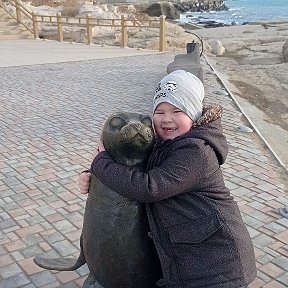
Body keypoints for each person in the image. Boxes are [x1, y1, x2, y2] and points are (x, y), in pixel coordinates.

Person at [79, 70, 257, 288]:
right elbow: (133, 172)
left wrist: (100, 164)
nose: (167, 119)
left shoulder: (196, 152)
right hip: (190, 256)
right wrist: (92, 176)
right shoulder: (166, 144)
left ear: (193, 113)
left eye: (177, 110)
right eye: (159, 111)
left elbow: (149, 188)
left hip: (219, 262)